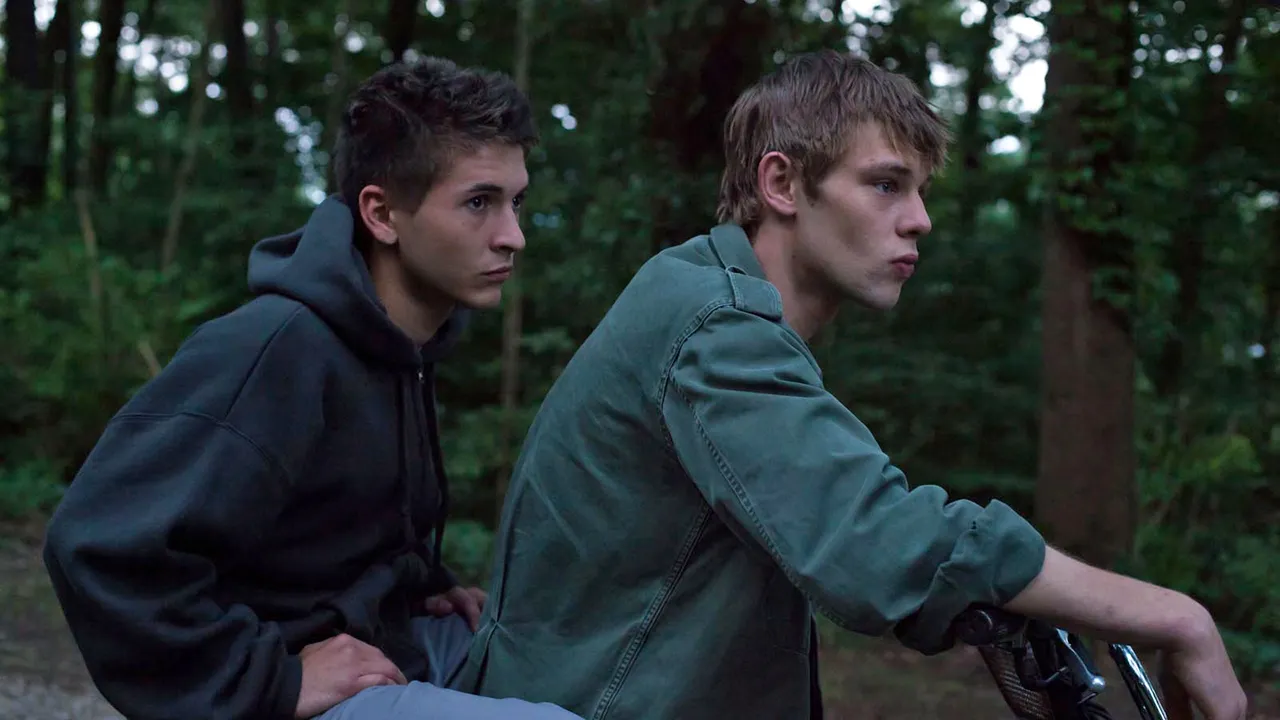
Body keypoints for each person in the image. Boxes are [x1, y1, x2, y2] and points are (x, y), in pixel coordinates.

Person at [454, 50, 1248, 720]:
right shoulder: (714, 328)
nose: (920, 218)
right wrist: (1174, 617)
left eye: (921, 190)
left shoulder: (708, 300)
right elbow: (876, 545)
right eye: (886, 184)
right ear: (782, 184)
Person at [41, 57, 582, 720]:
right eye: (479, 203)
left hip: (390, 646)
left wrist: (420, 586)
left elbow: (330, 534)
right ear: (382, 214)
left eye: (515, 201)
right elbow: (96, 545)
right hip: (291, 691)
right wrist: (270, 680)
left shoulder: (405, 349)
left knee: (610, 674)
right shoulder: (275, 348)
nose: (513, 236)